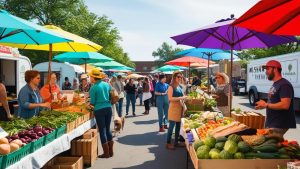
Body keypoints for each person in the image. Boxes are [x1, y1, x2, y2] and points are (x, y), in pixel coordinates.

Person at [255, 60, 296, 134]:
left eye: (268, 69)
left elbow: (285, 105)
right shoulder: (276, 83)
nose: (266, 72)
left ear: (275, 69)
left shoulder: (284, 85)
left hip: (279, 123)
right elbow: (274, 101)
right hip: (272, 122)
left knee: (268, 143)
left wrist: (266, 105)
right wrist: (264, 106)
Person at [88, 68, 114, 158]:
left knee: (102, 131)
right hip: (108, 108)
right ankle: (111, 151)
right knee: (108, 129)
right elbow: (111, 94)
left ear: (93, 77)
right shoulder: (107, 84)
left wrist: (88, 105)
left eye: (90, 76)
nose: (90, 78)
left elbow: (92, 103)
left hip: (99, 110)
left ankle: (106, 153)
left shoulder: (93, 88)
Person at [166, 71, 187, 149]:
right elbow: (170, 98)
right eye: (178, 77)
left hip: (179, 108)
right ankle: (168, 143)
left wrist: (186, 98)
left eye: (181, 77)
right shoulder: (171, 87)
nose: (180, 78)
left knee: (178, 126)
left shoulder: (180, 87)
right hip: (173, 108)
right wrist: (181, 98)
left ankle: (176, 142)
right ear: (174, 78)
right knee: (171, 127)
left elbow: (182, 96)